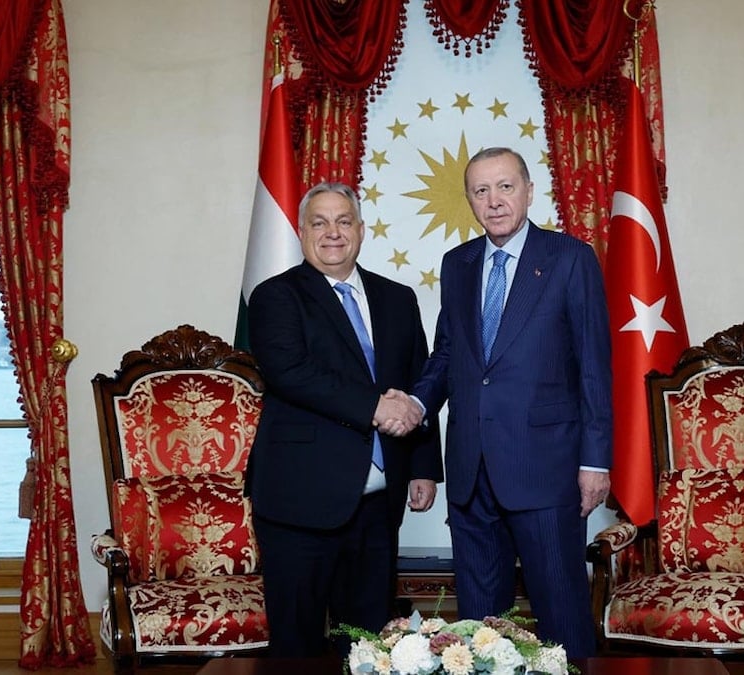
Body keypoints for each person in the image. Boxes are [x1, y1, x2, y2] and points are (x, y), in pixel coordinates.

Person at [411, 147, 612, 658]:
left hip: (546, 468)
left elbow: (593, 365)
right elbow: (449, 353)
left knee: (562, 621)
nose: (494, 200)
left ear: (528, 190)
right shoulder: (457, 264)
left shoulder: (570, 258)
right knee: (478, 632)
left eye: (505, 187)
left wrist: (595, 461)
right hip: (471, 469)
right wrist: (415, 403)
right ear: (470, 201)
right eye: (481, 191)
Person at [244, 181, 443, 657]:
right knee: (298, 646)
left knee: (368, 644)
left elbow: (417, 382)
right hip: (299, 502)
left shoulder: (397, 298)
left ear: (361, 229)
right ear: (301, 232)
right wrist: (375, 406)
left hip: (378, 504)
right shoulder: (275, 296)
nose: (332, 232)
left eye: (343, 221)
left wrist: (423, 466)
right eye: (319, 222)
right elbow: (291, 372)